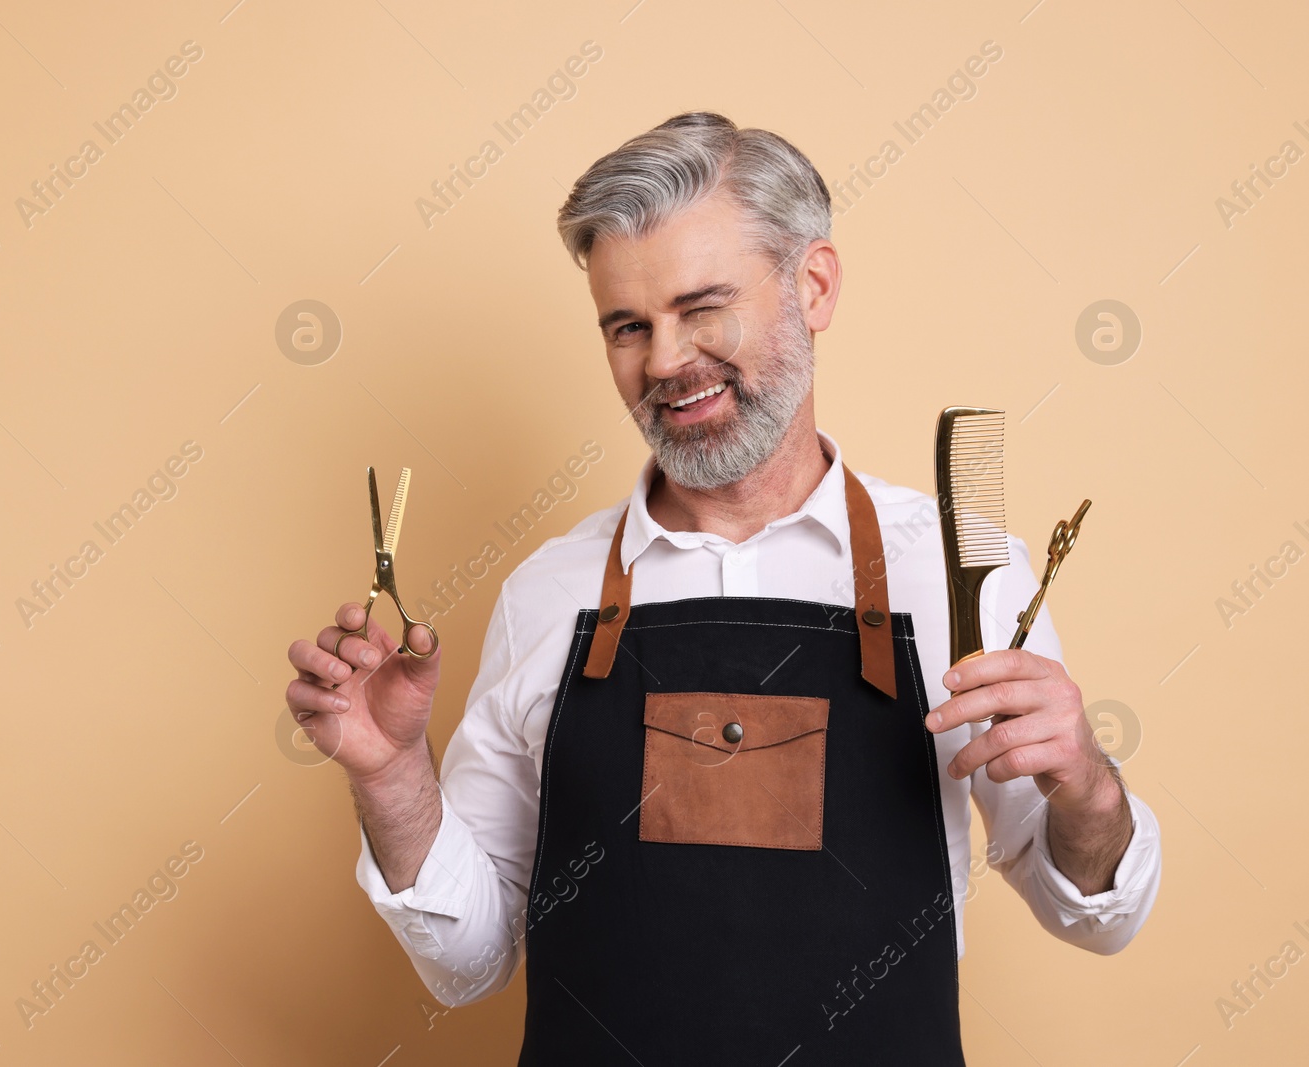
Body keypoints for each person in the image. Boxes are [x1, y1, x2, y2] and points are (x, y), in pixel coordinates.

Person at [285, 111, 1160, 1064]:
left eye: (704, 308)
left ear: (813, 285)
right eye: (628, 327)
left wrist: (1088, 785)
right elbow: (472, 961)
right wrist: (391, 775)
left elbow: (1095, 917)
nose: (663, 361)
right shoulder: (548, 592)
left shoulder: (952, 571)